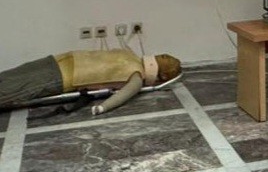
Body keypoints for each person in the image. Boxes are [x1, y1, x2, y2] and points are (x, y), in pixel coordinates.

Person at [0, 49, 182, 115]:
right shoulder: (131, 59)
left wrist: (102, 107)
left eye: (167, 59)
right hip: (60, 64)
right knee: (11, 79)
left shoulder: (135, 73)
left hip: (62, 72)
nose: (164, 55)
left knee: (11, 86)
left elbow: (122, 96)